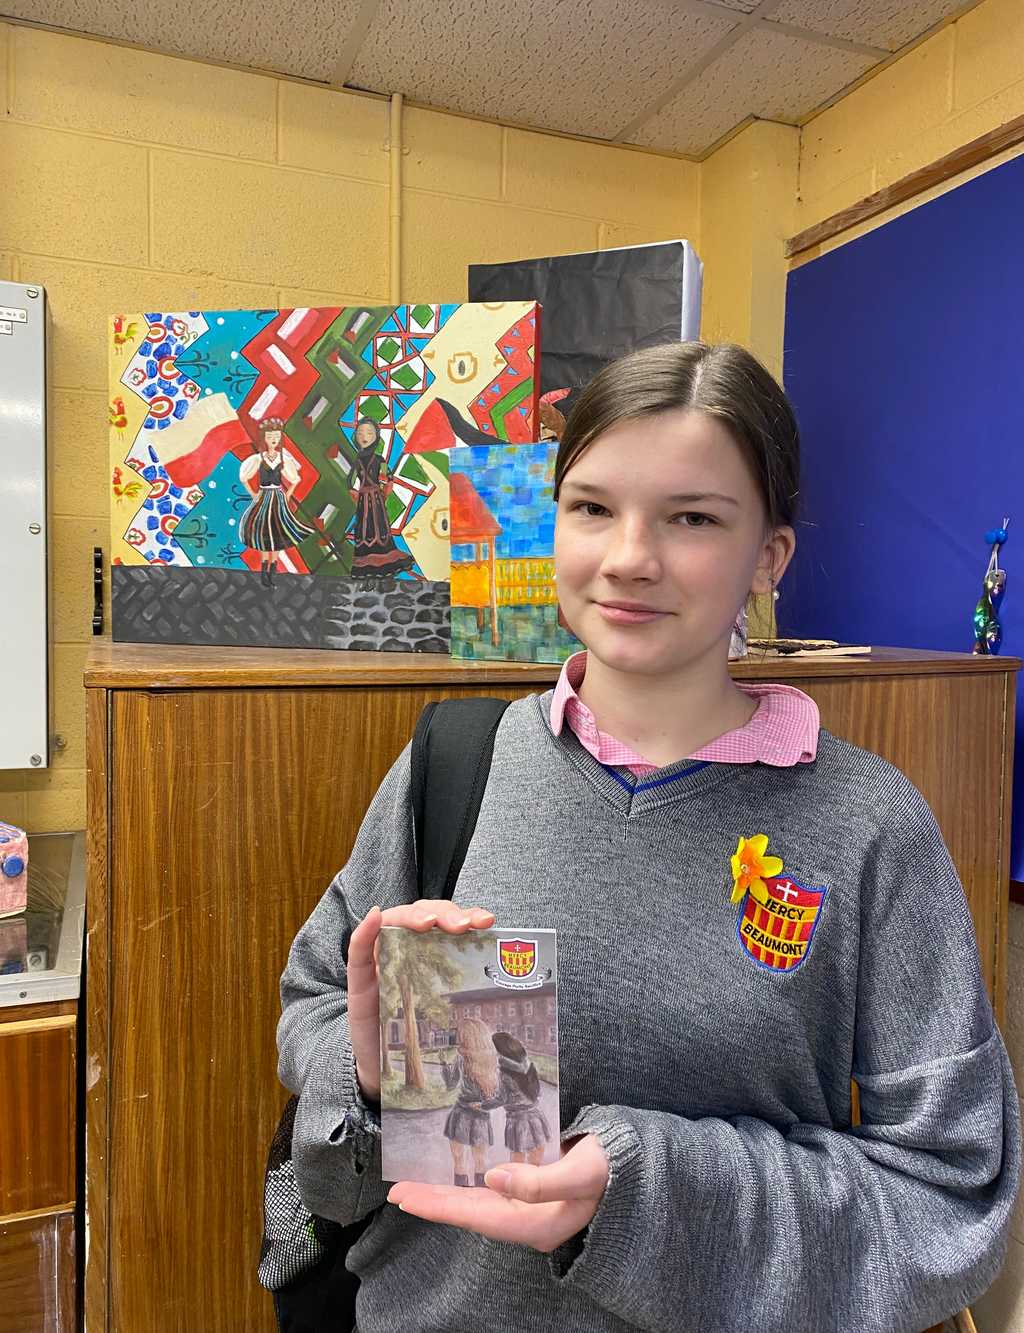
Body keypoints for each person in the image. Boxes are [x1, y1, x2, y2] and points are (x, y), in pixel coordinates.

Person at [276, 341, 1020, 1333]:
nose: (629, 556)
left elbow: (947, 1195)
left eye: (692, 518)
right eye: (592, 507)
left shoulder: (867, 825)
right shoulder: (455, 764)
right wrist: (371, 1070)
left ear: (769, 556)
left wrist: (640, 1191)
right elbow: (317, 1006)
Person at [238, 418, 314, 584]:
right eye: (270, 436)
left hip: (278, 499)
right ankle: (264, 569)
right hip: (264, 497)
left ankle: (273, 569)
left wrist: (287, 495)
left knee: (278, 531)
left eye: (277, 436)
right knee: (263, 532)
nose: (273, 439)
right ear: (264, 438)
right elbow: (244, 477)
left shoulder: (283, 459)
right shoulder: (258, 459)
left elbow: (295, 480)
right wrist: (253, 494)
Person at [347, 419, 417, 577]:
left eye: (369, 433)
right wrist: (355, 495)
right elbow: (349, 481)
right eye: (360, 433)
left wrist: (384, 492)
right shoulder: (357, 461)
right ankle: (366, 566)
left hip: (376, 499)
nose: (364, 437)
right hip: (363, 501)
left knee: (380, 528)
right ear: (355, 436)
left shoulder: (380, 460)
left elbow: (388, 479)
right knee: (364, 529)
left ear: (376, 437)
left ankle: (384, 564)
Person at [439, 1020, 503, 1186]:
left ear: (467, 1037)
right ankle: (480, 1193)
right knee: (480, 1161)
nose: (459, 1038)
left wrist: (444, 1064)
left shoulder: (462, 1059)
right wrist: (483, 1105)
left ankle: (460, 1193)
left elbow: (450, 1084)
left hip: (461, 1113)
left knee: (459, 1160)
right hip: (481, 1116)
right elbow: (498, 1095)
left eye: (461, 1035)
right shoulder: (492, 1060)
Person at [492, 1031, 552, 1166]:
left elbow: (501, 1098)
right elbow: (538, 1092)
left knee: (517, 1159)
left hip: (517, 1120)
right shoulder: (528, 1065)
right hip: (536, 1115)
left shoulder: (502, 1073)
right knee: (536, 1156)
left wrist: (483, 1105)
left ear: (499, 1051)